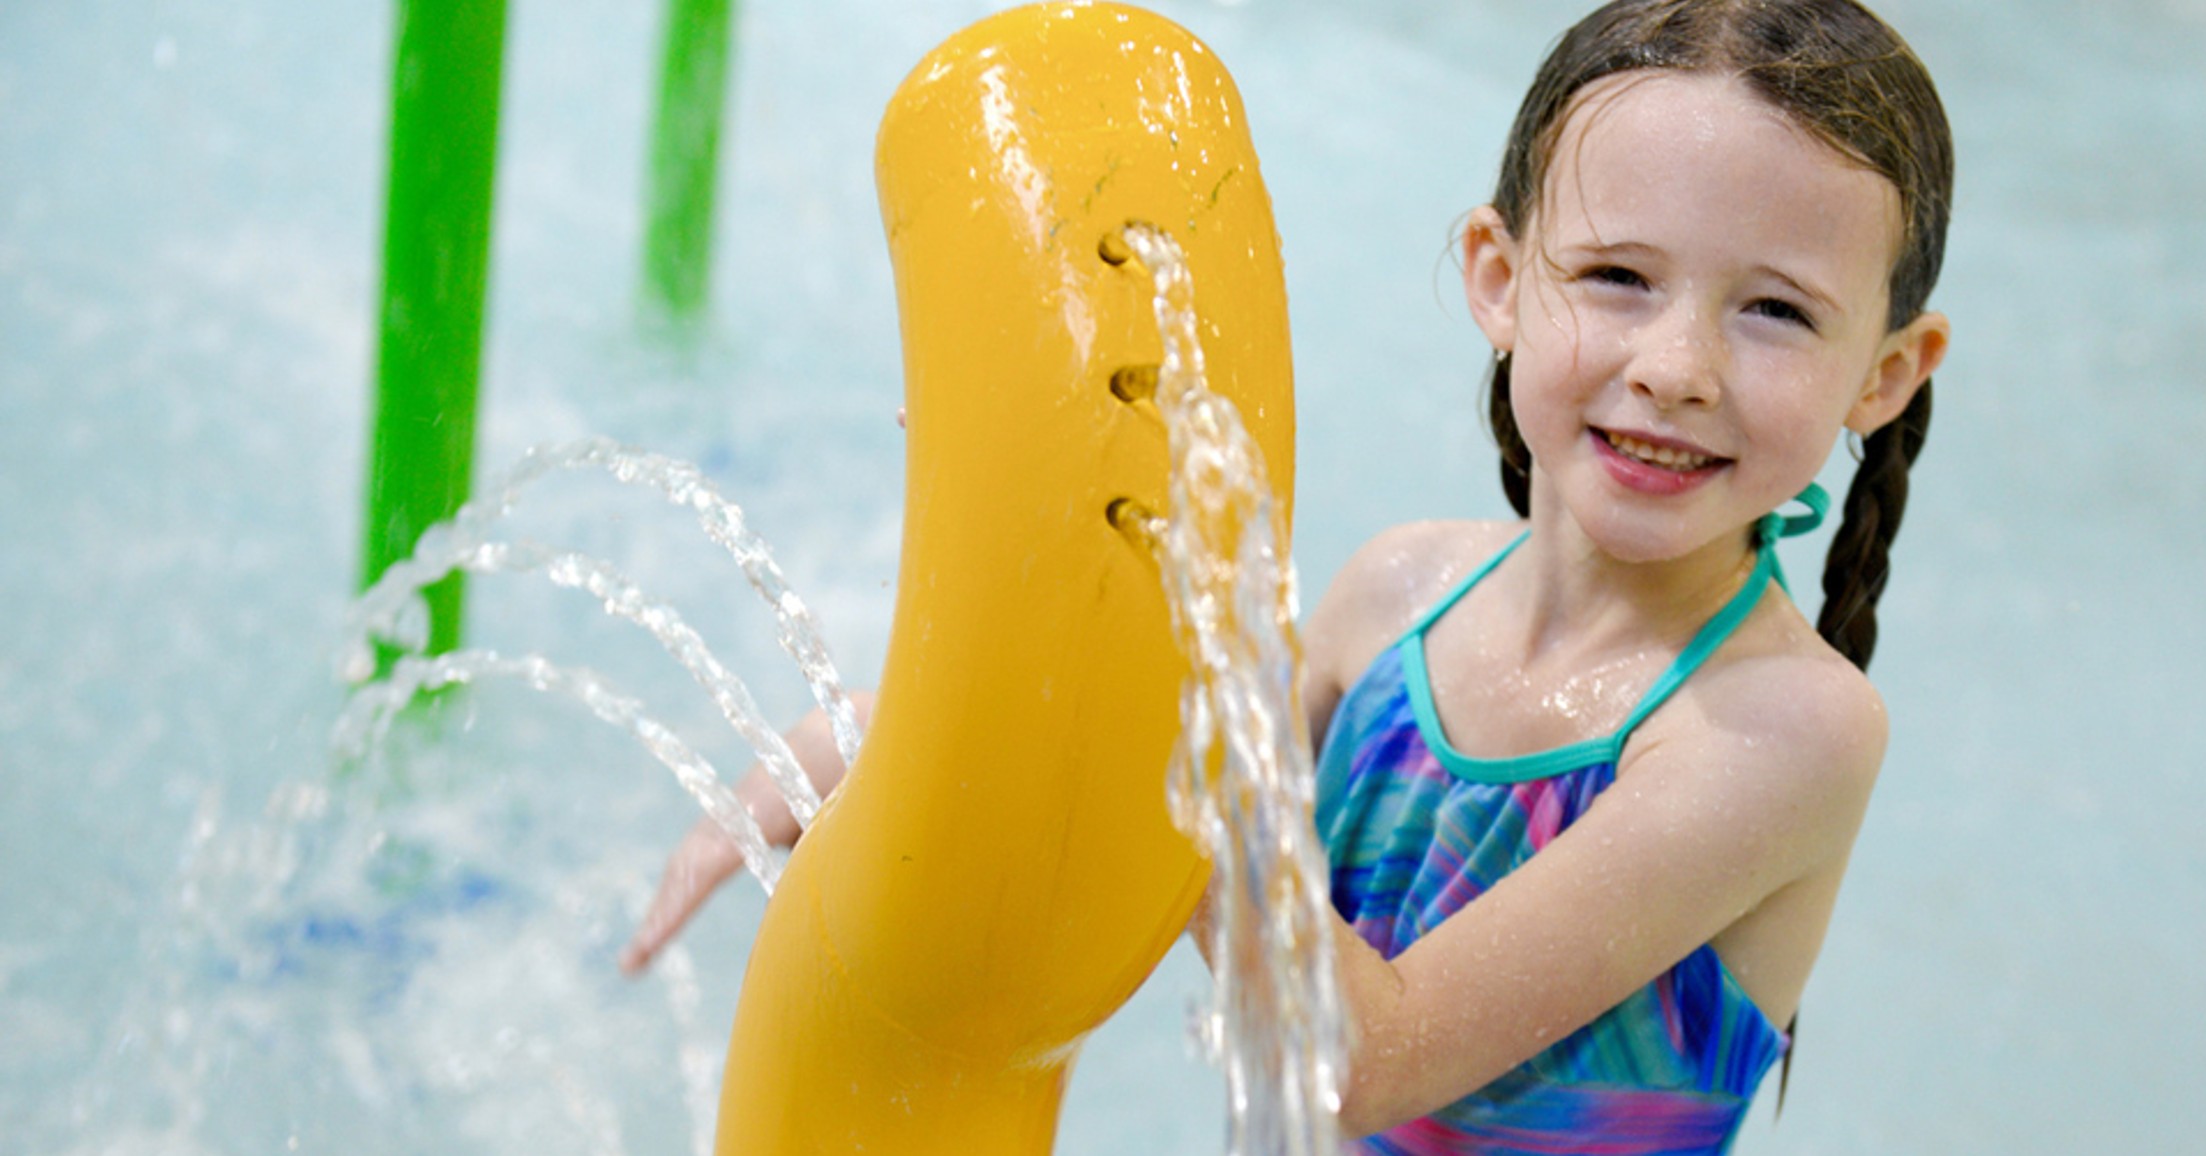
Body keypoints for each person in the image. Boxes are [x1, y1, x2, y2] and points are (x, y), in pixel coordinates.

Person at [623, 0, 1952, 1150]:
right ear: (1498, 277)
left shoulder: (1785, 731)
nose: (1678, 365)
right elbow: (1153, 839)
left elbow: (1356, 1055)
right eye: (1616, 276)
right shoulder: (1395, 598)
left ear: (1885, 375)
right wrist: (885, 726)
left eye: (1774, 309)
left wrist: (1156, 604)